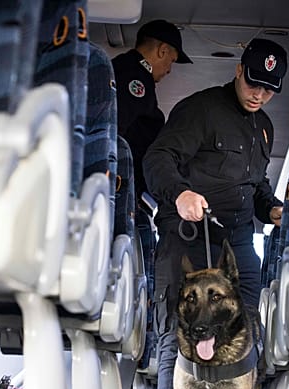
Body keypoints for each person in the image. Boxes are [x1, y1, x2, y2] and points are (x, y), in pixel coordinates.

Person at [131, 38, 287, 389]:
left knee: (245, 338)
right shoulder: (200, 110)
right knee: (174, 341)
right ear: (239, 71)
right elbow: (157, 159)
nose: (259, 94)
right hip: (190, 240)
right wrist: (179, 193)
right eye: (254, 83)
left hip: (238, 246)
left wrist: (273, 209)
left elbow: (256, 190)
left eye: (269, 89)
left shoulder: (264, 129)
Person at [111, 21, 191, 368]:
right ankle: (142, 350)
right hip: (123, 193)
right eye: (170, 61)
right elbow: (119, 135)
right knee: (140, 272)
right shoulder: (135, 78)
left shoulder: (131, 75)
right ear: (161, 51)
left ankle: (141, 349)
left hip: (132, 194)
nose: (168, 70)